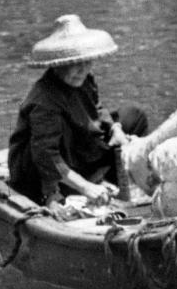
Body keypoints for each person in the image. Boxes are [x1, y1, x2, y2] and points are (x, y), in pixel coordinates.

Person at [8, 14, 149, 213]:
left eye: (86, 63)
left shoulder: (86, 78)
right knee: (57, 138)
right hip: (40, 171)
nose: (82, 70)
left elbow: (97, 108)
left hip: (77, 153)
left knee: (133, 116)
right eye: (75, 65)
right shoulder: (44, 99)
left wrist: (115, 129)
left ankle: (114, 182)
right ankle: (65, 191)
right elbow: (46, 155)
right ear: (59, 64)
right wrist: (85, 187)